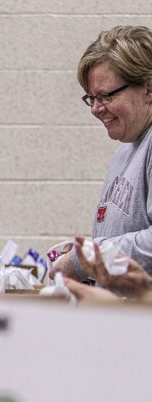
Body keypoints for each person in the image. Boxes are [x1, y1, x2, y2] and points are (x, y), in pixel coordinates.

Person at [49, 26, 152, 282]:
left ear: (149, 89)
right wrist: (84, 254)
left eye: (105, 96)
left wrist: (85, 261)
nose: (95, 109)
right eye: (91, 98)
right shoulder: (126, 149)